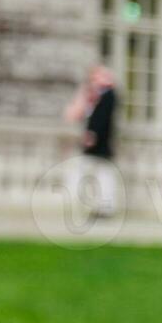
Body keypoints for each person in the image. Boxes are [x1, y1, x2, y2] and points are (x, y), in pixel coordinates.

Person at [64, 64, 120, 218]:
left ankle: (105, 207)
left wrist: (93, 134)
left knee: (103, 174)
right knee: (93, 173)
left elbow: (102, 119)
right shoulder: (96, 95)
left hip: (100, 144)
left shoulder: (109, 95)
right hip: (96, 144)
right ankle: (96, 204)